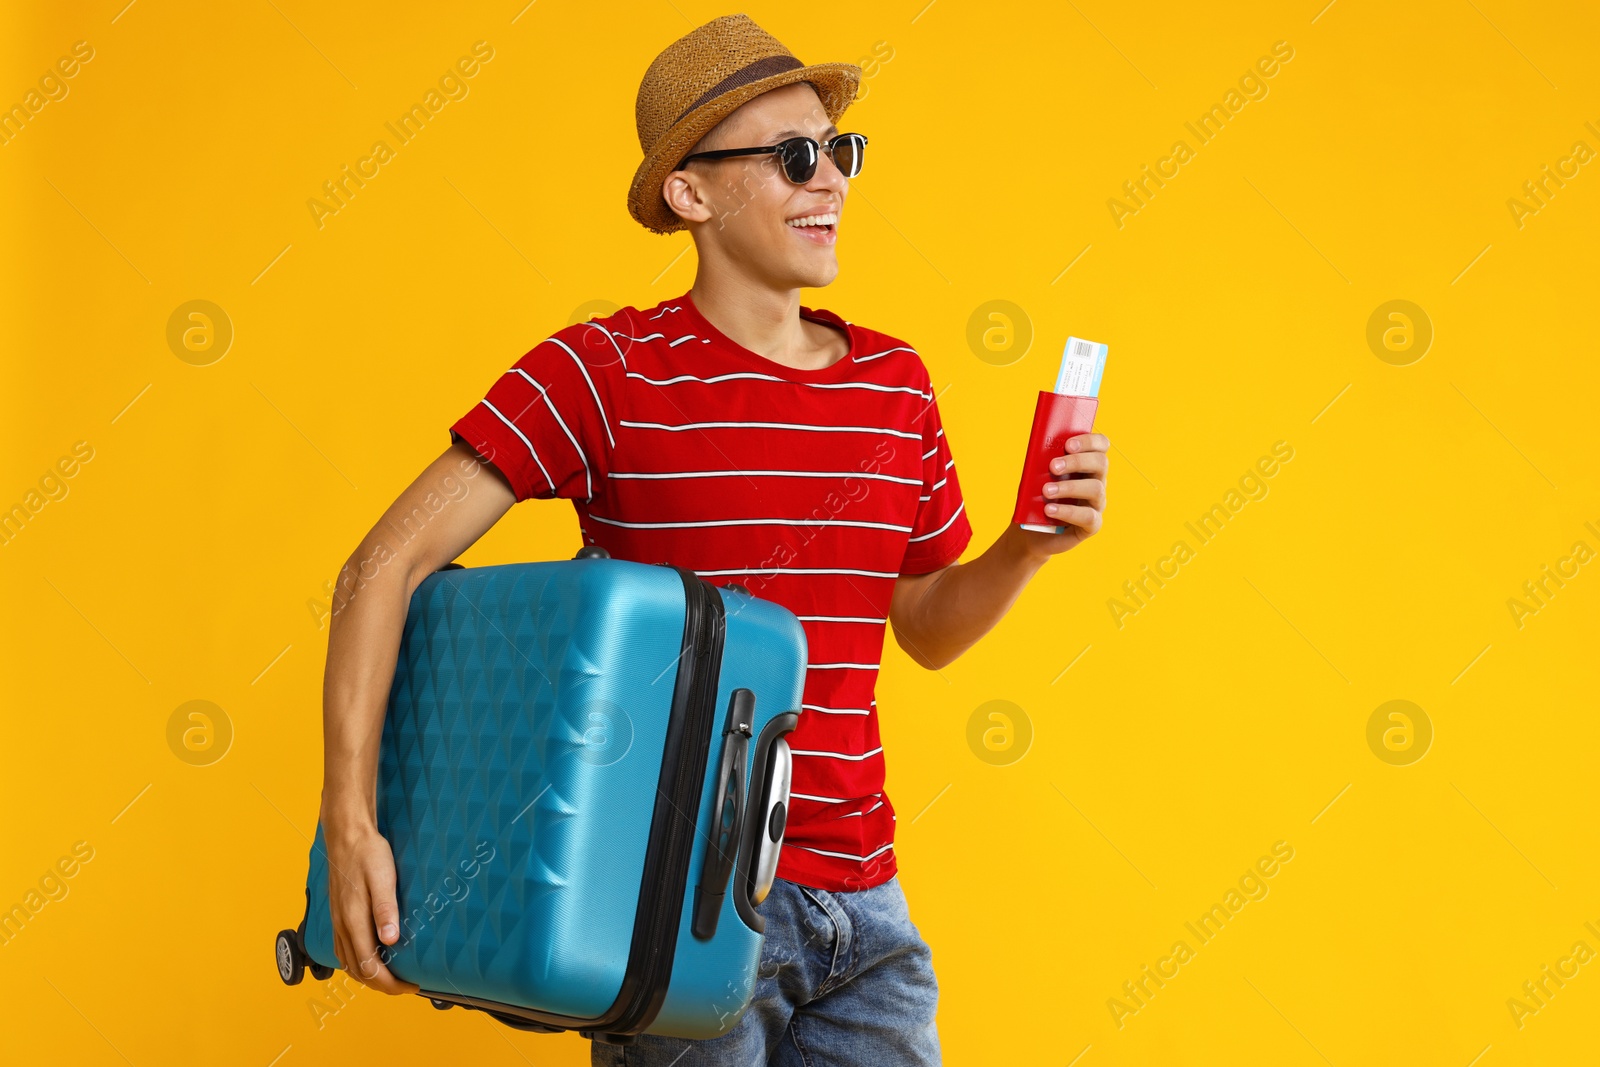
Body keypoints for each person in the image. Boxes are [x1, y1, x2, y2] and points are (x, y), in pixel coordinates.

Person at [316, 13, 1111, 1066]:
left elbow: (920, 625)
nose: (829, 180)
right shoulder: (602, 372)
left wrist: (1024, 545)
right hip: (675, 901)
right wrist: (351, 819)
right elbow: (382, 566)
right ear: (688, 193)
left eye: (839, 151)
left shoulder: (897, 386)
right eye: (791, 157)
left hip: (866, 910)